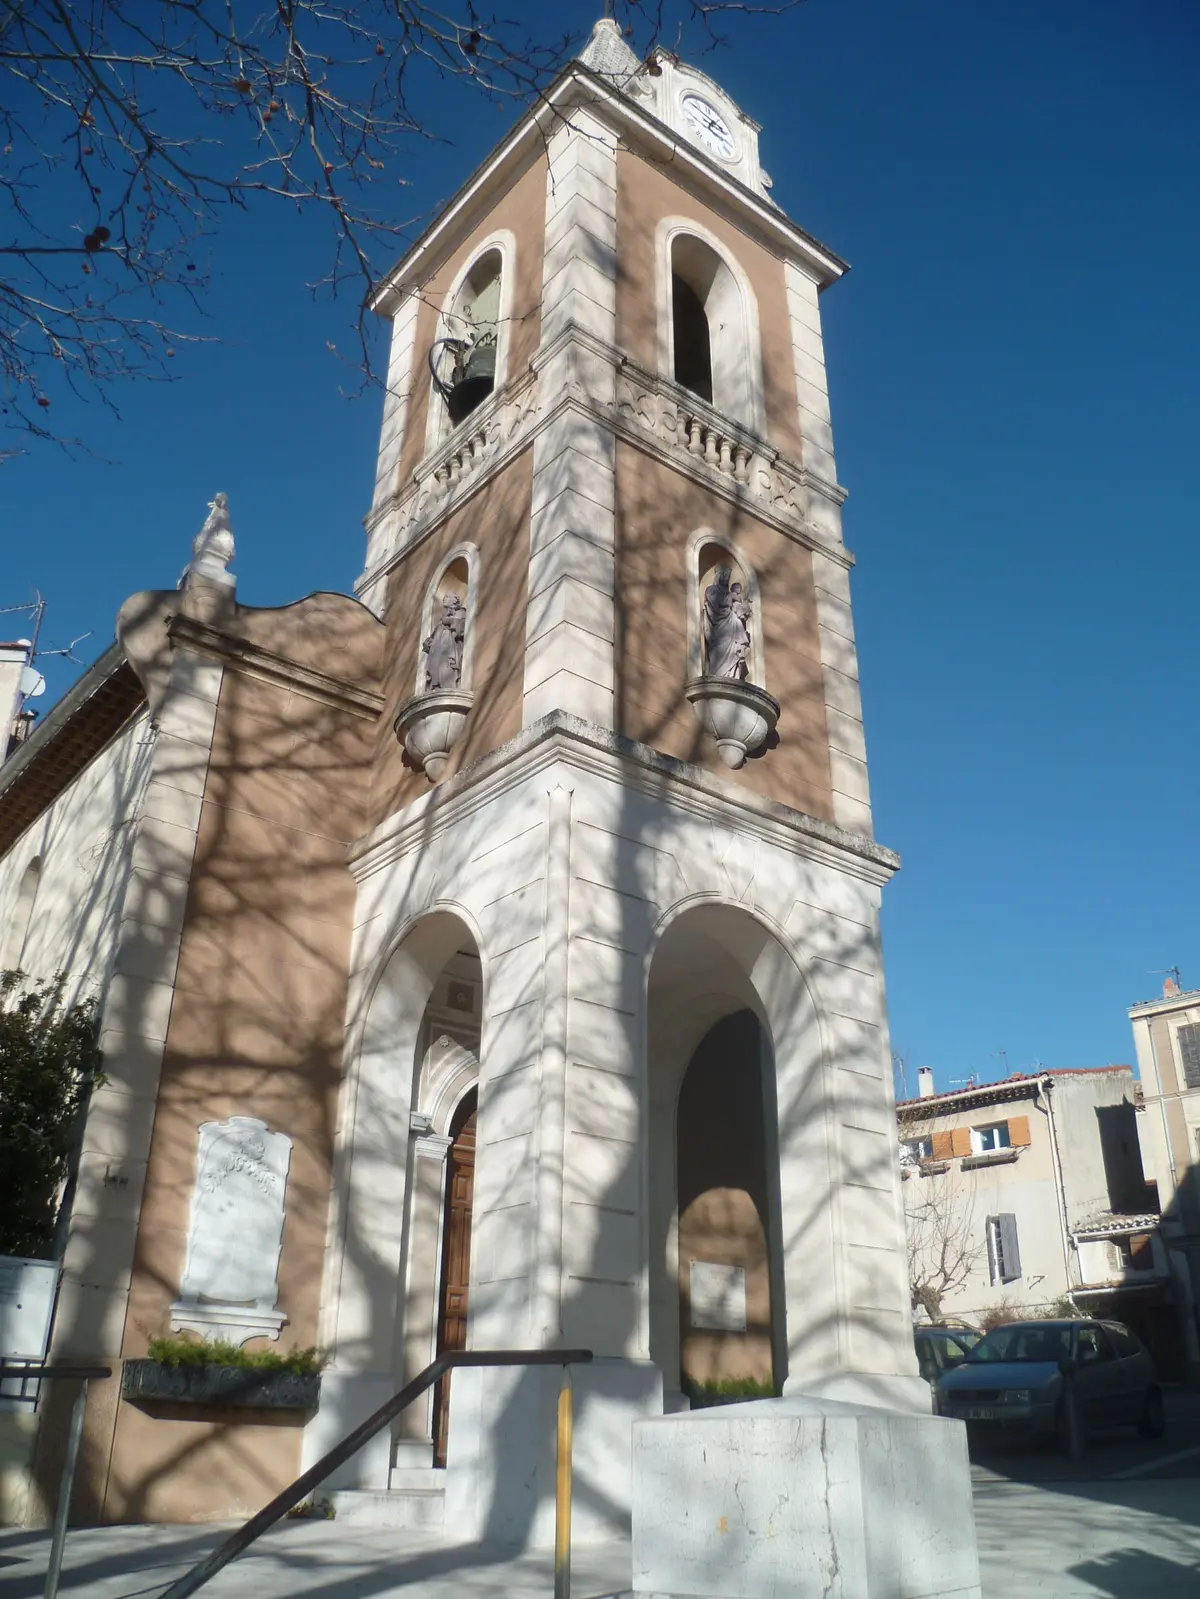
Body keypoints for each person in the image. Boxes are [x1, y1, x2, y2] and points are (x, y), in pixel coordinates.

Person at [703, 565, 751, 681]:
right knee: (720, 650)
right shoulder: (711, 590)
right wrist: (730, 597)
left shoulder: (731, 593)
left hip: (732, 626)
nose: (726, 579)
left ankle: (732, 674)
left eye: (728, 577)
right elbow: (714, 602)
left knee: (734, 649)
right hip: (719, 628)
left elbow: (739, 603)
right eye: (724, 576)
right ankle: (719, 673)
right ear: (718, 576)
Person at [422, 593, 466, 691]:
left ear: (454, 600)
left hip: (449, 645)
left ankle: (448, 684)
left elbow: (461, 628)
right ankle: (435, 685)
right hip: (438, 646)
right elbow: (435, 633)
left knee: (446, 663)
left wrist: (450, 621)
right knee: (436, 662)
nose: (443, 599)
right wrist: (430, 642)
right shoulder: (443, 617)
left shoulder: (461, 612)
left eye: (446, 597)